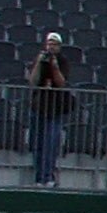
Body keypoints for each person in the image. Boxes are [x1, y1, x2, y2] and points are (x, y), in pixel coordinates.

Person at [27, 32, 69, 186]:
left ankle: (48, 177)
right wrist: (39, 63)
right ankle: (39, 178)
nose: (51, 47)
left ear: (59, 46)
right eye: (49, 43)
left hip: (54, 110)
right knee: (37, 144)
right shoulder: (40, 60)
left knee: (50, 145)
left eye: (54, 44)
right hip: (38, 108)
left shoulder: (62, 61)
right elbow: (33, 81)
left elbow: (62, 83)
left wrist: (55, 67)